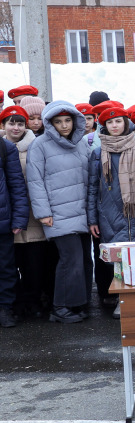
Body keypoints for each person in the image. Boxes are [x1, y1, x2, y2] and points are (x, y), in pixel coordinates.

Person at [25, 101, 91, 323]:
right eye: (58, 121)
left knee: (82, 261)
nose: (64, 125)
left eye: (67, 120)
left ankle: (78, 303)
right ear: (49, 124)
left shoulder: (81, 144)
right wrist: (43, 212)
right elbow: (35, 181)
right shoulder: (40, 145)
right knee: (69, 261)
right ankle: (60, 307)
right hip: (58, 213)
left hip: (81, 211)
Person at [88, 106, 135, 317]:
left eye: (118, 122)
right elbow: (91, 188)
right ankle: (120, 299)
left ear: (126, 124)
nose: (114, 126)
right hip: (106, 214)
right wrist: (92, 219)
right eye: (109, 123)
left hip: (134, 213)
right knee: (114, 259)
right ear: (104, 126)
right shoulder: (98, 153)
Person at [4, 106, 54, 321]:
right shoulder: (2, 147)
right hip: (7, 213)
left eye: (20, 123)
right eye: (11, 123)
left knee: (33, 264)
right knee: (9, 265)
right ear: (3, 125)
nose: (16, 127)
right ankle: (14, 304)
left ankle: (33, 301)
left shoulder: (36, 146)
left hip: (34, 214)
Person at [0, 106, 30, 327]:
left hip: (2, 222)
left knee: (6, 268)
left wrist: (19, 219)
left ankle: (5, 308)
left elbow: (17, 186)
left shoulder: (5, 148)